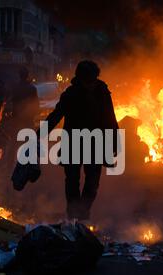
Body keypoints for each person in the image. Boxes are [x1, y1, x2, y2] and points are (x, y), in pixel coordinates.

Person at [40, 61, 119, 221]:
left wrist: (114, 142)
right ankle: (73, 212)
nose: (90, 83)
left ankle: (82, 211)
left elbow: (110, 119)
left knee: (92, 181)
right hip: (74, 141)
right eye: (88, 79)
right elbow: (56, 115)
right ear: (81, 77)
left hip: (96, 142)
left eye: (93, 79)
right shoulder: (71, 94)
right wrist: (39, 134)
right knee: (72, 180)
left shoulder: (102, 92)